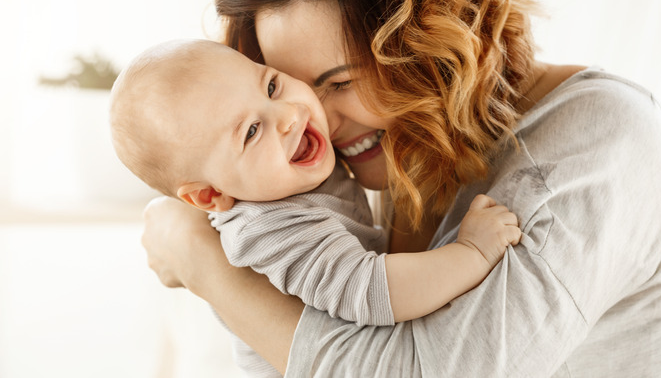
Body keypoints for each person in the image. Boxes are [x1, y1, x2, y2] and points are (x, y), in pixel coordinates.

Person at [141, 0, 661, 376]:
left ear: (432, 42)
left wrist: (202, 263)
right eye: (288, 85)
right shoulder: (413, 154)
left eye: (341, 82)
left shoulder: (599, 142)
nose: (316, 123)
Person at [109, 38, 521, 328]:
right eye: (252, 131)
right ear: (210, 195)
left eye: (271, 85)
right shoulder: (269, 229)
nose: (288, 115)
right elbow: (373, 292)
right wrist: (472, 251)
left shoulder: (283, 172)